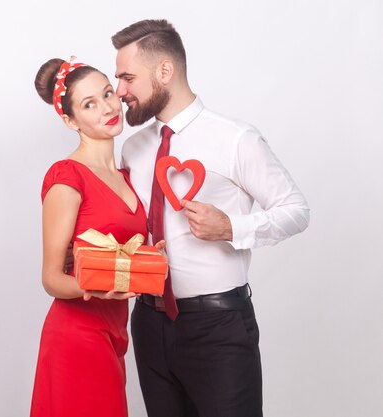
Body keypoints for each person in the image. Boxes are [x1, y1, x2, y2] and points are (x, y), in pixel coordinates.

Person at [111, 19, 310, 417]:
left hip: (218, 329)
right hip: (148, 325)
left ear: (164, 71)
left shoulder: (236, 139)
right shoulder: (132, 149)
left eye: (128, 78)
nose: (120, 92)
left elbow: (296, 211)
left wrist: (232, 227)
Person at [30, 56, 162, 417]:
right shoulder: (67, 176)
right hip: (77, 335)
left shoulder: (127, 175)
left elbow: (125, 253)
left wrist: (153, 258)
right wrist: (95, 287)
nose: (107, 108)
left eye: (107, 94)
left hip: (116, 332)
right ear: (70, 120)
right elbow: (51, 278)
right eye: (90, 104)